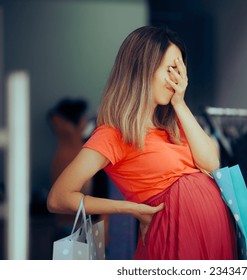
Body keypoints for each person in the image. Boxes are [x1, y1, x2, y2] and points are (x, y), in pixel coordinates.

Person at [47, 25, 237, 260]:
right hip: (174, 237)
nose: (176, 80)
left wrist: (180, 103)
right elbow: (58, 197)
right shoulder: (114, 134)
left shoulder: (174, 125)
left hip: (213, 237)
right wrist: (129, 208)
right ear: (142, 68)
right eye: (171, 69)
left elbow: (211, 164)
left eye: (180, 71)